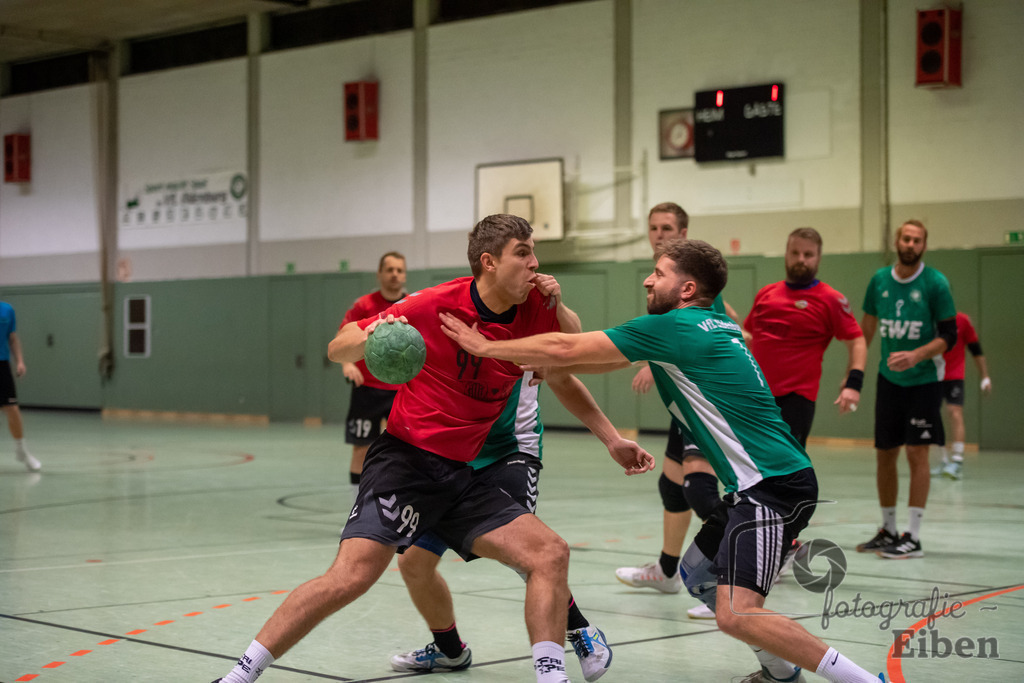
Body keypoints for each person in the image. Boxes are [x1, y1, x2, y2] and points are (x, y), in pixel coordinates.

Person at [212, 214, 654, 683]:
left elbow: (575, 358)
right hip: (405, 462)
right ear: (489, 262)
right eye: (522, 253)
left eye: (533, 251)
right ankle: (239, 676)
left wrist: (611, 437)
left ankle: (553, 676)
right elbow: (338, 347)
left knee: (549, 554)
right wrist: (374, 340)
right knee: (354, 576)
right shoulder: (432, 305)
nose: (534, 263)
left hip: (464, 473)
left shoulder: (538, 307)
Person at [440, 238, 884, 683]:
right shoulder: (711, 324)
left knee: (735, 613)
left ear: (687, 289)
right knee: (699, 574)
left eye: (659, 272)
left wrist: (485, 347)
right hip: (764, 482)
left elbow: (566, 350)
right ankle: (780, 673)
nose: (649, 280)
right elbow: (586, 362)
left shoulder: (677, 327)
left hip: (772, 486)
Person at [390, 369, 617, 682]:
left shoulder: (535, 321)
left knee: (531, 553)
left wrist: (612, 439)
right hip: (454, 454)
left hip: (512, 450)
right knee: (413, 562)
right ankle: (449, 651)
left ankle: (578, 630)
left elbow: (569, 349)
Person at [615, 202, 724, 620]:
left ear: (684, 231)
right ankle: (666, 570)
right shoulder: (665, 282)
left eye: (668, 229)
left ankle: (730, 578)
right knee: (672, 486)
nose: (659, 235)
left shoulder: (692, 277)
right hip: (684, 398)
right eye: (654, 228)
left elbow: (702, 326)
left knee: (700, 490)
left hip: (706, 399)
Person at [857, 220, 956, 560]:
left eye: (917, 240)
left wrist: (916, 355)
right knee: (885, 453)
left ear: (924, 246)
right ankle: (889, 529)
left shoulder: (935, 283)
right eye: (906, 238)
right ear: (897, 241)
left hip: (923, 382)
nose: (910, 244)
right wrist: (854, 372)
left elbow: (949, 336)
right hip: (889, 381)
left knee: (917, 454)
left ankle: (913, 537)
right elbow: (867, 327)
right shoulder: (880, 280)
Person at [744, 227, 866, 448]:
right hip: (757, 396)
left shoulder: (831, 300)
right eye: (795, 253)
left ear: (818, 258)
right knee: (753, 468)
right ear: (786, 254)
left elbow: (856, 341)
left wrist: (853, 383)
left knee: (787, 472)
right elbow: (749, 337)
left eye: (808, 255)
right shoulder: (766, 294)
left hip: (796, 400)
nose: (801, 260)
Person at [338, 252, 408, 495]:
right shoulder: (363, 306)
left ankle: (395, 504)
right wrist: (348, 364)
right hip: (367, 390)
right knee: (361, 447)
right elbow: (342, 340)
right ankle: (356, 508)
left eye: (399, 270)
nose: (394, 275)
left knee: (400, 449)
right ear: (379, 274)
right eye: (389, 269)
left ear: (405, 274)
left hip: (401, 391)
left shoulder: (411, 304)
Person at [932, 311, 992, 480]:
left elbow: (975, 349)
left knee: (954, 412)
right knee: (932, 416)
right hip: (932, 374)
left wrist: (985, 376)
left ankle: (957, 461)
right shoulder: (927, 319)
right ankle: (942, 460)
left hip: (954, 375)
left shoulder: (963, 321)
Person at [0, 301, 40, 472]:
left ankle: (21, 450)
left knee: (12, 408)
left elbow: (13, 338)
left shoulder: (7, 310)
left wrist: (20, 361)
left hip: (1, 365)